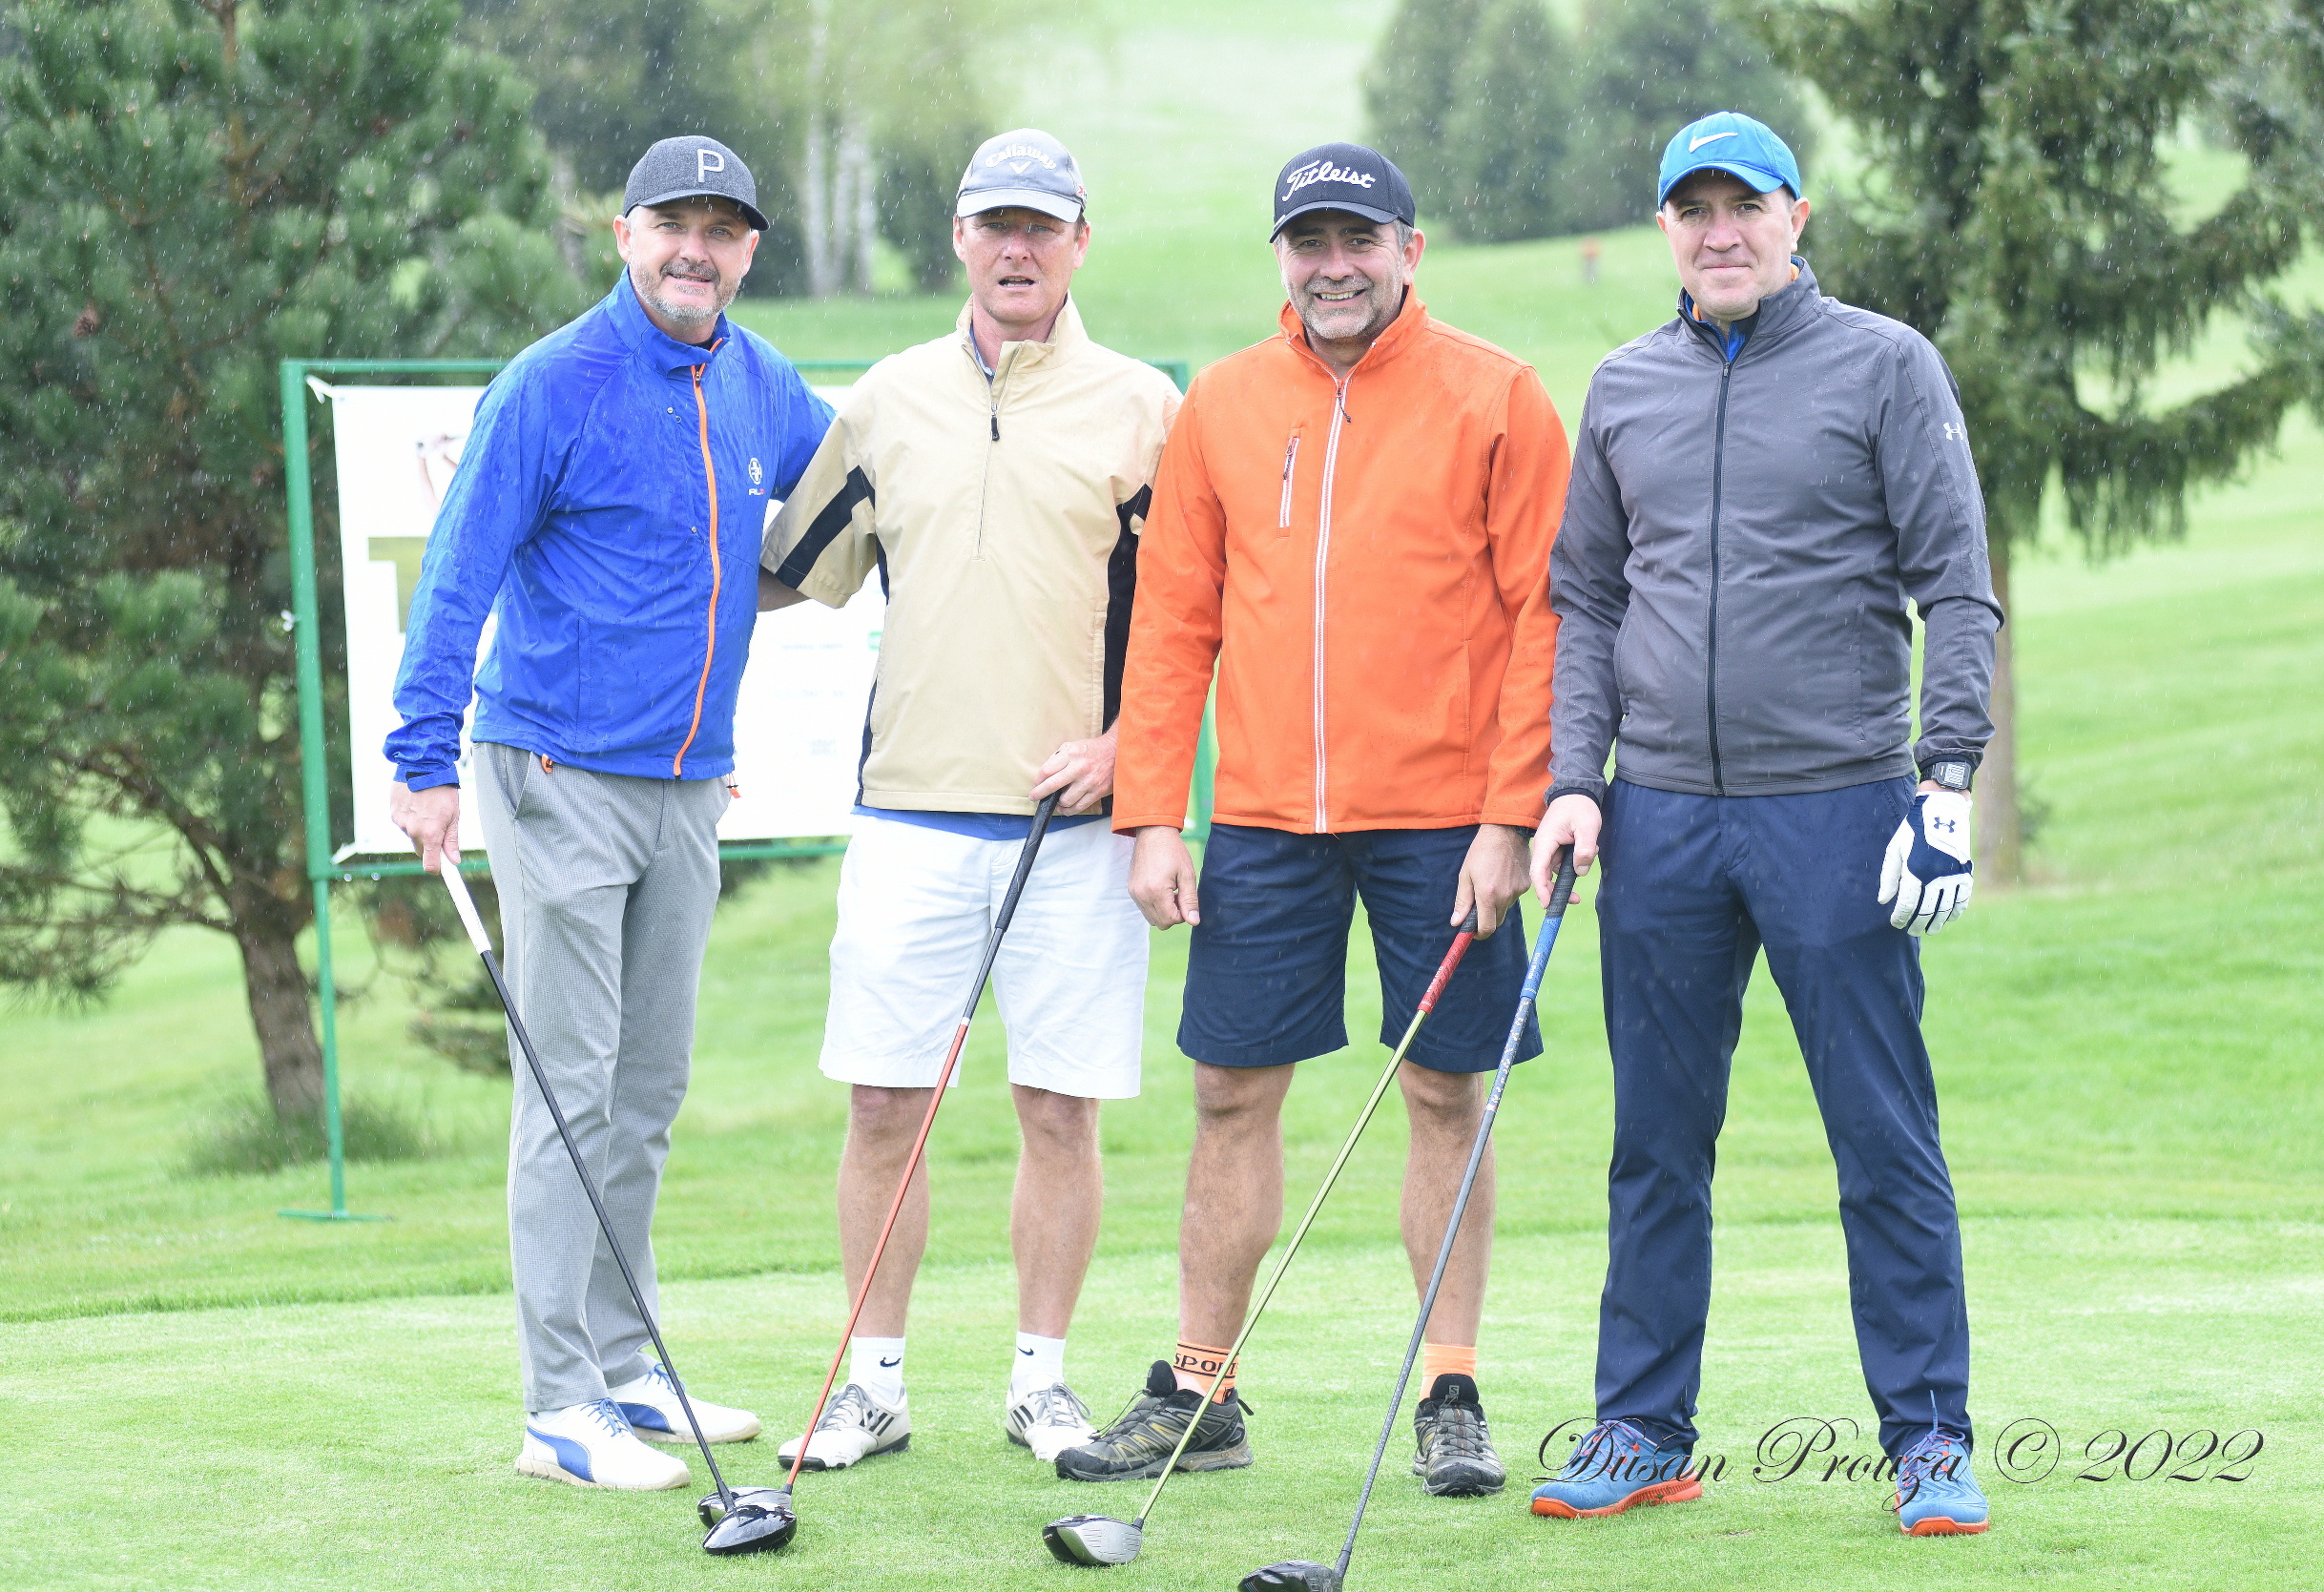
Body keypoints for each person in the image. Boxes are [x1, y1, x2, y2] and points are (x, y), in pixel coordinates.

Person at [1060, 144, 1570, 1498]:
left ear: (1410, 250)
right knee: (1229, 1090)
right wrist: (1152, 814)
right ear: (1282, 257)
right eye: (1309, 242)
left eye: (1359, 240)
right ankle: (1201, 1391)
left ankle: (1451, 1388)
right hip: (1267, 818)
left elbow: (1548, 619)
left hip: (1447, 821)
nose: (1333, 266)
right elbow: (1175, 621)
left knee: (1444, 1091)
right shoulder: (1223, 404)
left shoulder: (1499, 397)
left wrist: (1512, 813)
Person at [1526, 112, 2000, 1537]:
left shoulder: (1884, 365)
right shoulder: (1625, 385)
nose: (1720, 231)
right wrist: (1574, 777)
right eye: (1695, 209)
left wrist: (1947, 781)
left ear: (1798, 216)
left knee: (1882, 1135)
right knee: (1656, 1143)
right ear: (1666, 229)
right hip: (1662, 816)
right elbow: (1589, 600)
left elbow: (1956, 582)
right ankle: (1640, 1429)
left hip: (1838, 808)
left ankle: (1929, 1437)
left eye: (1746, 205)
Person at [387, 136, 835, 1491]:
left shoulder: (760, 381)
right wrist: (421, 757)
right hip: (555, 773)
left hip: (688, 781)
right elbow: (459, 570)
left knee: (646, 1089)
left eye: (723, 229)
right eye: (672, 224)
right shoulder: (554, 381)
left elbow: (842, 502)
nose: (697, 249)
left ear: (749, 251)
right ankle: (558, 1406)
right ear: (626, 234)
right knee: (570, 1087)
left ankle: (627, 1361)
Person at [756, 130, 1180, 1471]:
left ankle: (1040, 1381)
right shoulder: (886, 400)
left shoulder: (1144, 408)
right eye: (996, 224)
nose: (1018, 248)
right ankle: (872, 1385)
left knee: (1059, 1110)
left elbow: (1201, 614)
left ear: (1079, 243)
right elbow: (789, 569)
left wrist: (1132, 744)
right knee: (885, 1107)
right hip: (910, 818)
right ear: (959, 238)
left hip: (1075, 829)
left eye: (1042, 227)